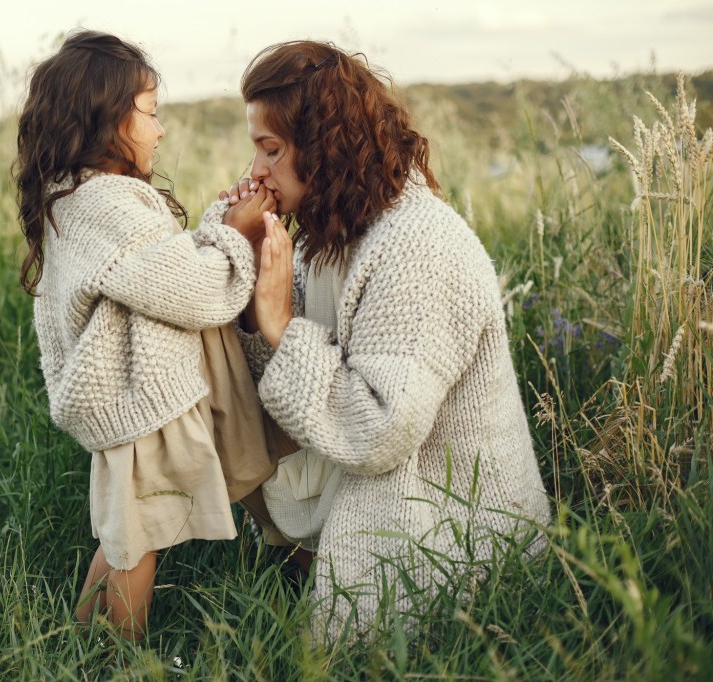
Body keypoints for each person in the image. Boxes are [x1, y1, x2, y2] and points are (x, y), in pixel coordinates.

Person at [210, 40, 552, 640]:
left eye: (271, 149)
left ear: (324, 147)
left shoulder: (416, 242)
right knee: (211, 366)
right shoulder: (333, 232)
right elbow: (290, 372)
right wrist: (249, 271)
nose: (256, 171)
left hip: (456, 520)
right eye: (254, 151)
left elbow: (380, 429)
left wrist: (281, 325)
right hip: (386, 477)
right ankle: (298, 565)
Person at [13, 30, 278, 641]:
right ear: (105, 118)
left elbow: (159, 267)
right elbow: (189, 288)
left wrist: (219, 223)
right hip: (141, 404)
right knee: (136, 544)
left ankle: (80, 648)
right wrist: (236, 235)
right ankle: (118, 657)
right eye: (151, 114)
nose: (160, 131)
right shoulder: (106, 204)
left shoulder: (81, 196)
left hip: (138, 400)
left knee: (126, 537)